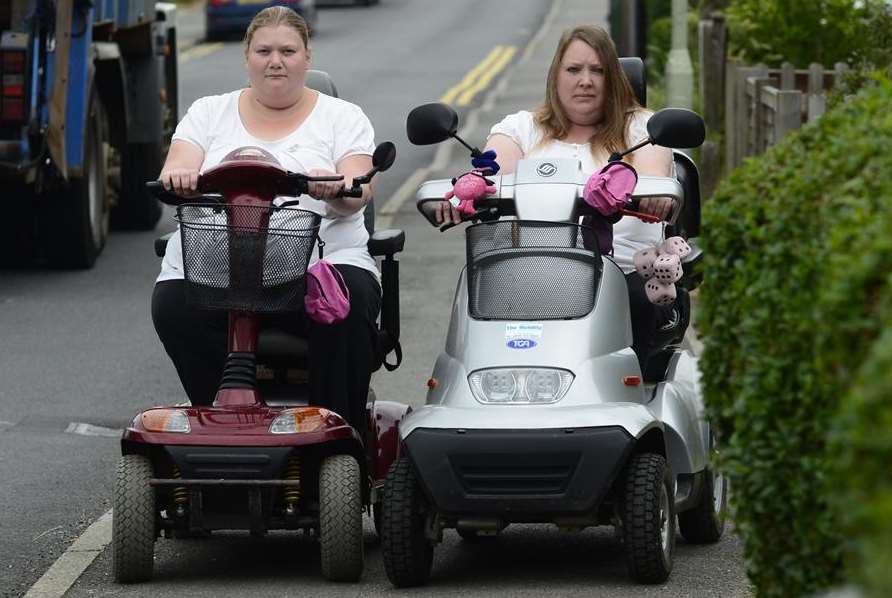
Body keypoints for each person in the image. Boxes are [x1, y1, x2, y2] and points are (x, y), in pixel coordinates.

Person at [151, 6, 381, 435]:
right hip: (217, 265)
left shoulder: (342, 117)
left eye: (288, 50)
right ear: (247, 57)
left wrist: (336, 185)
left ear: (307, 57)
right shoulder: (208, 112)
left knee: (351, 307)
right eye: (264, 50)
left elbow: (359, 181)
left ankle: (335, 433)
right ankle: (217, 420)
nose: (276, 61)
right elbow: (177, 165)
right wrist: (180, 177)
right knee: (171, 306)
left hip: (315, 267)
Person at [436, 25, 686, 369]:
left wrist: (652, 194)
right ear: (556, 76)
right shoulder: (522, 128)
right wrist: (468, 189)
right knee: (477, 298)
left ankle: (625, 401)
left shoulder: (642, 128)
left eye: (597, 70)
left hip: (623, 273)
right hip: (531, 271)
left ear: (613, 78)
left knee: (637, 303)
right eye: (574, 70)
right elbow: (491, 170)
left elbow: (652, 176)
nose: (585, 80)